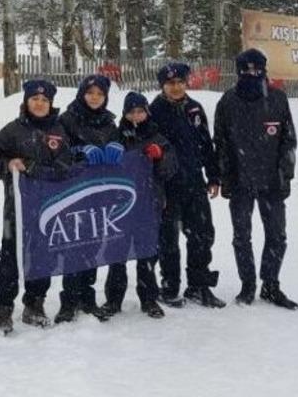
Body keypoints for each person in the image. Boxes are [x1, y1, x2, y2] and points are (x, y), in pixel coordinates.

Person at [214, 48, 298, 310]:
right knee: (242, 236)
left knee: (277, 235)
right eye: (247, 69)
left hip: (272, 181)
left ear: (264, 69)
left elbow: (288, 140)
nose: (252, 73)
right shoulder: (228, 102)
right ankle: (247, 285)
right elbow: (221, 143)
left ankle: (271, 285)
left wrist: (285, 175)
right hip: (240, 182)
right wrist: (226, 176)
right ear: (239, 71)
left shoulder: (277, 99)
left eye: (257, 69)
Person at [0, 80, 75, 335]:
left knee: (41, 258)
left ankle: (34, 304)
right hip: (16, 211)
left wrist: (36, 169)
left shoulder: (59, 132)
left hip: (48, 210)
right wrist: (8, 164)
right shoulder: (12, 131)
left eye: (44, 100)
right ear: (26, 101)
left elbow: (65, 168)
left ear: (50, 104)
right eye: (35, 99)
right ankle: (3, 310)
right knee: (10, 259)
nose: (39, 104)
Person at [149, 63, 226, 308]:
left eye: (180, 82)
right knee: (168, 239)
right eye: (171, 83)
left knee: (202, 235)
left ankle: (199, 285)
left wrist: (213, 176)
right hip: (167, 186)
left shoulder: (195, 108)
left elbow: (206, 144)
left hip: (194, 183)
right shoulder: (154, 111)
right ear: (163, 86)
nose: (176, 87)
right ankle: (170, 286)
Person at [101, 92, 178, 319]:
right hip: (121, 204)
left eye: (140, 111)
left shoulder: (157, 136)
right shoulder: (115, 136)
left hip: (148, 202)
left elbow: (170, 168)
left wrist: (160, 155)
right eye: (131, 111)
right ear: (125, 113)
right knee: (117, 253)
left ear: (147, 112)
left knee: (146, 254)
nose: (136, 116)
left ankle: (149, 299)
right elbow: (105, 170)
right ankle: (113, 299)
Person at [55, 74, 123, 324]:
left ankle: (87, 297)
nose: (94, 98)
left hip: (99, 193)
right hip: (73, 193)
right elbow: (58, 150)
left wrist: (119, 147)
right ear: (82, 94)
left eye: (100, 94)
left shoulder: (109, 122)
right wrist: (79, 151)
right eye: (90, 93)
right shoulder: (67, 119)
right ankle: (68, 301)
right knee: (73, 246)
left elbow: (120, 146)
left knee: (93, 245)